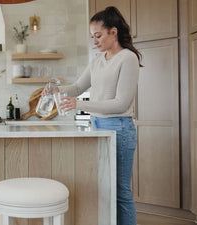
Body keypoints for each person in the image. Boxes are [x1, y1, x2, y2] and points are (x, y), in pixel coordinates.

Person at [52, 6, 142, 225]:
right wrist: (55, 90)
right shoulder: (98, 61)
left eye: (98, 35)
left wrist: (79, 104)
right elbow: (76, 87)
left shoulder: (127, 58)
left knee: (120, 191)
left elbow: (121, 103)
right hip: (99, 126)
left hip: (120, 128)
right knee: (104, 187)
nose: (95, 41)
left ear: (114, 32)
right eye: (92, 36)